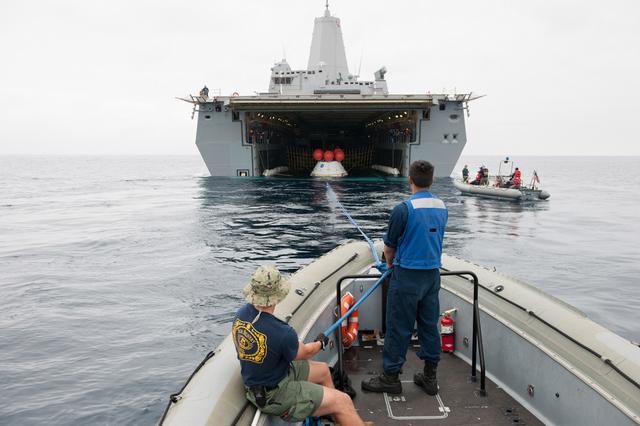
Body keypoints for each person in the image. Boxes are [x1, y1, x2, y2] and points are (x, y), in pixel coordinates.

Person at [232, 265, 369, 425]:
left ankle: (340, 417)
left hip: (267, 379)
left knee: (324, 370)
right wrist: (320, 343)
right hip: (274, 395)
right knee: (343, 400)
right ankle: (341, 409)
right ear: (278, 296)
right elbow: (305, 352)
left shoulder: (241, 314)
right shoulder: (282, 332)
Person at [361, 160, 448, 396]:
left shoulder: (403, 209)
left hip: (407, 276)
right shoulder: (442, 207)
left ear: (409, 180)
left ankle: (390, 377)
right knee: (429, 326)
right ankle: (430, 377)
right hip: (432, 276)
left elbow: (389, 247)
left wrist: (389, 264)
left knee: (399, 327)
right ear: (431, 180)